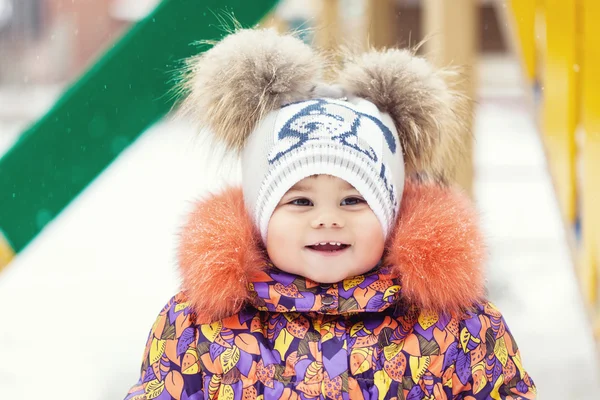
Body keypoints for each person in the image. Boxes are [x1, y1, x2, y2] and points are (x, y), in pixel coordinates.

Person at [125, 28, 536, 400]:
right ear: (259, 216)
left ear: (392, 216)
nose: (327, 219)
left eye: (353, 201)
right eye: (301, 202)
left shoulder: (454, 326)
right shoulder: (201, 325)